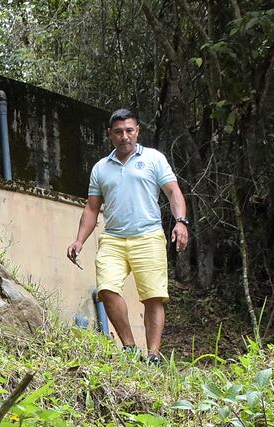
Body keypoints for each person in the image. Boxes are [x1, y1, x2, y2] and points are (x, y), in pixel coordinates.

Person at [67, 108, 188, 364]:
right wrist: (79, 240)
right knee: (107, 290)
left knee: (153, 296)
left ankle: (153, 355)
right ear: (110, 134)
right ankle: (131, 349)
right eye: (119, 132)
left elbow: (173, 192)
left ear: (137, 131)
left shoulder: (154, 159)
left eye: (129, 130)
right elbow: (92, 207)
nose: (125, 136)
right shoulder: (101, 168)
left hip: (148, 236)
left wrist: (180, 222)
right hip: (113, 238)